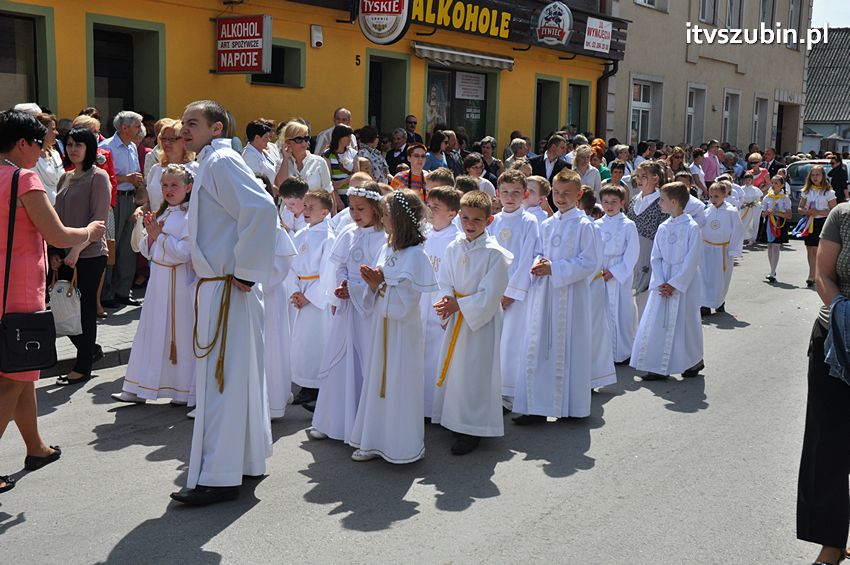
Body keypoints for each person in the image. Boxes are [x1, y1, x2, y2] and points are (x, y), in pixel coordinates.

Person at [170, 100, 278, 507]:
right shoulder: (213, 162)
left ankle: (218, 476)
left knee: (221, 383)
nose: (184, 130)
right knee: (234, 379)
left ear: (216, 128)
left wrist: (246, 272)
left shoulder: (221, 161)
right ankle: (242, 463)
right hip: (222, 285)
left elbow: (261, 208)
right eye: (183, 124)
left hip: (229, 287)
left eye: (192, 124)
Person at [0, 110, 105, 494]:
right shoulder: (21, 178)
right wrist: (90, 230)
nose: (45, 151)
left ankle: (35, 447)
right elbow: (57, 233)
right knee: (12, 379)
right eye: (41, 143)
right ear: (23, 143)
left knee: (19, 372)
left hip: (3, 284)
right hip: (20, 287)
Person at [349, 189, 438, 463]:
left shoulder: (415, 256)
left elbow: (407, 303)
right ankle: (373, 440)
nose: (382, 218)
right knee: (377, 380)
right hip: (382, 327)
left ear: (399, 219)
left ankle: (402, 446)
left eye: (386, 214)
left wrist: (380, 285)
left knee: (398, 384)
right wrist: (371, 285)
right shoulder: (387, 248)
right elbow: (378, 287)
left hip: (402, 333)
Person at [513, 169, 597, 424]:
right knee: (539, 346)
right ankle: (536, 406)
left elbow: (590, 262)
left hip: (571, 296)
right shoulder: (547, 224)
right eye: (557, 192)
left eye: (567, 193)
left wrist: (556, 269)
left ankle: (571, 406)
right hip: (545, 293)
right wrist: (540, 263)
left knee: (568, 347)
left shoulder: (585, 225)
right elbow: (539, 251)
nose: (560, 198)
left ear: (579, 194)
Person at [431, 190, 511, 455]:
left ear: (488, 221)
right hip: (457, 315)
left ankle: (473, 428)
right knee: (457, 370)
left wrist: (460, 305)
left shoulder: (494, 254)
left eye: (477, 219)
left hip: (480, 322)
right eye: (465, 218)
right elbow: (445, 280)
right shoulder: (453, 246)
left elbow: (491, 294)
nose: (469, 223)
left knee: (475, 372)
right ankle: (454, 418)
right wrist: (446, 301)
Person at [111, 164, 196, 404]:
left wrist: (160, 237)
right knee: (149, 332)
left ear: (188, 188)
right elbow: (147, 251)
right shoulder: (162, 213)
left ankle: (180, 390)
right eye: (165, 185)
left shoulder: (191, 216)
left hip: (179, 283)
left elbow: (186, 253)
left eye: (174, 185)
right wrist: (150, 238)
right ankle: (138, 387)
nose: (168, 190)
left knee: (178, 333)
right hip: (158, 281)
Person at [310, 184, 386, 442]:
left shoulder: (384, 237)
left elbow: (380, 274)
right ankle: (332, 421)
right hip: (347, 307)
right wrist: (342, 286)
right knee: (341, 359)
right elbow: (340, 264)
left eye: (360, 209)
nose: (354, 213)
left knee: (364, 360)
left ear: (376, 208)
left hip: (368, 308)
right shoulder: (348, 232)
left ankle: (361, 425)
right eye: (351, 208)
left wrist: (354, 290)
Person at [797, 201, 850, 565]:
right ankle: (831, 544)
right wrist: (847, 317)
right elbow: (824, 275)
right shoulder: (843, 216)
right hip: (837, 343)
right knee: (828, 443)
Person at [53, 127, 111, 385]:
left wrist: (76, 249)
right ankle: (91, 350)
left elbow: (98, 221)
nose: (73, 149)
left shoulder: (98, 177)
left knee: (84, 311)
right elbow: (56, 218)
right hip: (64, 253)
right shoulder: (64, 178)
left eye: (79, 144)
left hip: (89, 254)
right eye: (69, 144)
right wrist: (55, 249)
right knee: (62, 310)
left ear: (89, 148)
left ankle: (83, 366)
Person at [630, 182, 704, 380]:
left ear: (674, 202)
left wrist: (675, 283)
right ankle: (657, 365)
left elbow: (692, 258)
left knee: (685, 322)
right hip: (662, 282)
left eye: (662, 200)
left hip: (683, 283)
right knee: (659, 322)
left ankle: (693, 361)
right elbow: (656, 256)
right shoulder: (663, 227)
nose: (659, 203)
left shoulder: (692, 227)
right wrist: (661, 280)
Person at [487, 171, 539, 408]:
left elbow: (528, 258)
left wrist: (510, 292)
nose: (510, 197)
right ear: (497, 194)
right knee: (492, 341)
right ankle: (490, 389)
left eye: (516, 192)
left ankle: (508, 395)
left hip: (515, 294)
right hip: (491, 292)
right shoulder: (493, 221)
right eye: (505, 192)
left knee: (511, 341)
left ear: (525, 194)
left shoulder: (529, 221)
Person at [288, 190, 336, 409]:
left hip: (316, 296)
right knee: (302, 342)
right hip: (301, 291)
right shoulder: (300, 234)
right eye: (304, 206)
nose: (305, 211)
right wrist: (295, 290)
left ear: (325, 211)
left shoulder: (328, 237)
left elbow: (328, 271)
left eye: (311, 207)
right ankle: (303, 382)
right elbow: (290, 265)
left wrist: (308, 296)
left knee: (317, 341)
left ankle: (315, 386)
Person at [421, 186, 461, 419]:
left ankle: (437, 409)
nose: (430, 210)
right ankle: (421, 406)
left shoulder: (456, 240)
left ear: (452, 214)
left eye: (437, 207)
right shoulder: (423, 234)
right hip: (421, 304)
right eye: (429, 205)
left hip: (440, 306)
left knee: (438, 357)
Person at [100, 111, 144, 308]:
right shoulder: (106, 147)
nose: (140, 130)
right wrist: (128, 179)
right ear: (124, 127)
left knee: (128, 247)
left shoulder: (133, 146)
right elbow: (101, 178)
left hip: (130, 199)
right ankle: (106, 293)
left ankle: (123, 291)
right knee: (112, 246)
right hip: (113, 200)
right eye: (137, 126)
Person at [261, 186, 298, 421]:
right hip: (249, 293)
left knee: (272, 347)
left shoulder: (275, 230)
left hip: (269, 293)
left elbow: (281, 264)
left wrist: (255, 281)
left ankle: (274, 400)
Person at [595, 185, 639, 364]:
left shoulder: (628, 225)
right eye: (605, 202)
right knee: (602, 312)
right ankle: (605, 353)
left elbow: (632, 252)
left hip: (620, 274)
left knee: (622, 312)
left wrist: (615, 272)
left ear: (622, 203)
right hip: (600, 273)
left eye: (614, 202)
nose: (609, 206)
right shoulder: (596, 224)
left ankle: (623, 351)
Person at [626, 161, 669, 316]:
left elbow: (664, 234)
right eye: (638, 176)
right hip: (632, 254)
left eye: (644, 176)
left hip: (650, 253)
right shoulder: (634, 200)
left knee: (645, 299)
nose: (639, 180)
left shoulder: (661, 202)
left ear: (655, 179)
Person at [700, 182, 744, 317]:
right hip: (707, 248)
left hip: (723, 249)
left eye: (717, 197)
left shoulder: (731, 212)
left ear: (725, 195)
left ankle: (720, 301)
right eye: (711, 196)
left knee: (721, 278)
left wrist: (733, 250)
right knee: (706, 276)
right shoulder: (707, 211)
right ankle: (705, 304)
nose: (713, 200)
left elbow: (738, 231)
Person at [144, 119, 198, 213]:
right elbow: (151, 202)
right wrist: (141, 209)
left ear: (184, 141)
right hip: (157, 224)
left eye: (172, 139)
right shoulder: (155, 169)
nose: (166, 143)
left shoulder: (195, 169)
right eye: (163, 139)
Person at [798, 165, 837, 287]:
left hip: (823, 222)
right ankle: (811, 274)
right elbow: (800, 208)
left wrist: (818, 212)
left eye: (817, 175)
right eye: (813, 175)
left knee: (817, 250)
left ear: (822, 176)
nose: (815, 177)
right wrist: (808, 212)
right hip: (809, 222)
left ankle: (820, 274)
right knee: (810, 249)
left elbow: (834, 210)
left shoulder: (828, 192)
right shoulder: (806, 191)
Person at [273, 120, 333, 199]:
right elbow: (280, 187)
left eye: (306, 138)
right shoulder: (282, 163)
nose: (304, 143)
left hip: (314, 210)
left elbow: (328, 191)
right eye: (299, 139)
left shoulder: (319, 162)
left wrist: (333, 211)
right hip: (290, 210)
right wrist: (286, 158)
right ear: (288, 142)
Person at [759, 175, 792, 282]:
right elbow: (763, 214)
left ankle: (772, 272)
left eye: (776, 183)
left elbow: (789, 215)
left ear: (782, 185)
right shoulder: (767, 197)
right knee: (769, 246)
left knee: (776, 246)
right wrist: (766, 213)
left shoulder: (785, 198)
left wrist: (776, 212)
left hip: (779, 223)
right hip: (769, 223)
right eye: (772, 183)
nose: (773, 185)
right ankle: (772, 268)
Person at [323, 124, 359, 209]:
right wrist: (336, 197)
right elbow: (328, 179)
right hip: (336, 196)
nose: (350, 139)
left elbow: (357, 175)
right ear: (339, 137)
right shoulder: (327, 155)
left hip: (351, 194)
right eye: (347, 136)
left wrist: (341, 183)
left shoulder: (353, 153)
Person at [33, 113, 63, 205]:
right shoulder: (32, 158)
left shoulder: (55, 154)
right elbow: (40, 187)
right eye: (53, 129)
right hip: (45, 206)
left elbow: (64, 180)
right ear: (43, 131)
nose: (57, 133)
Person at [242, 119, 280, 186]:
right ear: (257, 138)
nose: (268, 140)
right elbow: (257, 184)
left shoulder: (264, 152)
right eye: (265, 137)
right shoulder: (249, 157)